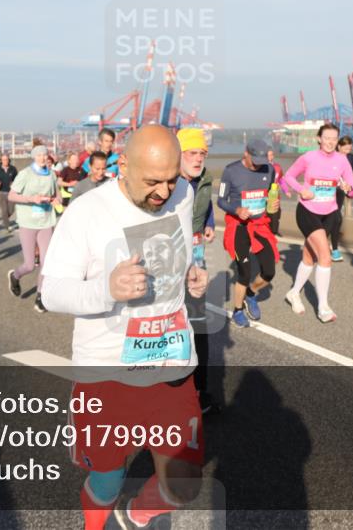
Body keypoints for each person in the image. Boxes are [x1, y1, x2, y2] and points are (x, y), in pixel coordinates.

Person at [40, 126, 206, 530]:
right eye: (153, 182)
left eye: (171, 179)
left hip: (171, 364)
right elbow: (51, 291)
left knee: (184, 483)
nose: (164, 193)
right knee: (107, 480)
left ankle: (135, 517)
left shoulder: (183, 194)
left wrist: (190, 274)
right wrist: (107, 289)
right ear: (123, 165)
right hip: (106, 373)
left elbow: (175, 251)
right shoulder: (87, 210)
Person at [282, 123, 353, 323]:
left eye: (334, 138)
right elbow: (288, 176)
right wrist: (301, 190)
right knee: (325, 256)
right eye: (327, 138)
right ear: (319, 138)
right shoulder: (308, 157)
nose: (331, 142)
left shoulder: (342, 161)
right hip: (307, 211)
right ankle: (323, 306)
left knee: (309, 257)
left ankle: (294, 293)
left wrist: (348, 188)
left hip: (330, 213)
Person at [177, 128, 218, 414]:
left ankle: (199, 393)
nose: (198, 158)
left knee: (199, 325)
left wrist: (210, 223)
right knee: (172, 324)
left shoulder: (204, 179)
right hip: (168, 261)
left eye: (202, 153)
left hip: (196, 258)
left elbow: (206, 205)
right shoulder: (165, 183)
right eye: (192, 153)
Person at [217, 139, 279, 328]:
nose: (260, 165)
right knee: (244, 272)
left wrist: (273, 204)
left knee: (269, 271)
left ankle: (251, 294)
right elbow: (220, 200)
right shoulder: (230, 171)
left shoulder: (269, 169)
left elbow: (269, 193)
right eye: (256, 160)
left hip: (260, 224)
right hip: (239, 226)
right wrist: (236, 210)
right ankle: (237, 310)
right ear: (246, 153)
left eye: (263, 160)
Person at [7, 146, 60, 312]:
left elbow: (57, 195)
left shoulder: (51, 174)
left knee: (46, 263)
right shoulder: (25, 174)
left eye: (45, 155)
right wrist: (31, 199)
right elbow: (11, 195)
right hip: (28, 222)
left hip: (46, 222)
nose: (43, 158)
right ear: (34, 157)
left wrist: (55, 200)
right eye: (39, 155)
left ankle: (40, 296)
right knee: (30, 265)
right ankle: (15, 276)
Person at [330, 136, 353, 261]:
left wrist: (351, 186)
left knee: (336, 218)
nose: (348, 147)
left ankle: (334, 249)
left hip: (341, 190)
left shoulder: (351, 157)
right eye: (345, 145)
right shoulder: (332, 157)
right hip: (329, 190)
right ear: (339, 146)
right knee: (332, 217)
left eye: (350, 145)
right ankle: (320, 244)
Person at [0, 153, 18, 231]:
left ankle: (5, 218)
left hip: (11, 193)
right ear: (1, 161)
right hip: (1, 193)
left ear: (9, 160)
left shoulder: (13, 169)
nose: (5, 161)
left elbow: (17, 179)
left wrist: (14, 183)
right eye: (3, 160)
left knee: (11, 210)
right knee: (4, 210)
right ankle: (7, 226)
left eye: (6, 159)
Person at [266, 149, 285, 236]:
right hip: (265, 196)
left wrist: (286, 190)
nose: (269, 157)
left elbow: (281, 180)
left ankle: (274, 231)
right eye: (267, 155)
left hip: (275, 195)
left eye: (271, 155)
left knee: (276, 214)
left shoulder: (277, 167)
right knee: (266, 215)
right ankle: (267, 231)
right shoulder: (261, 167)